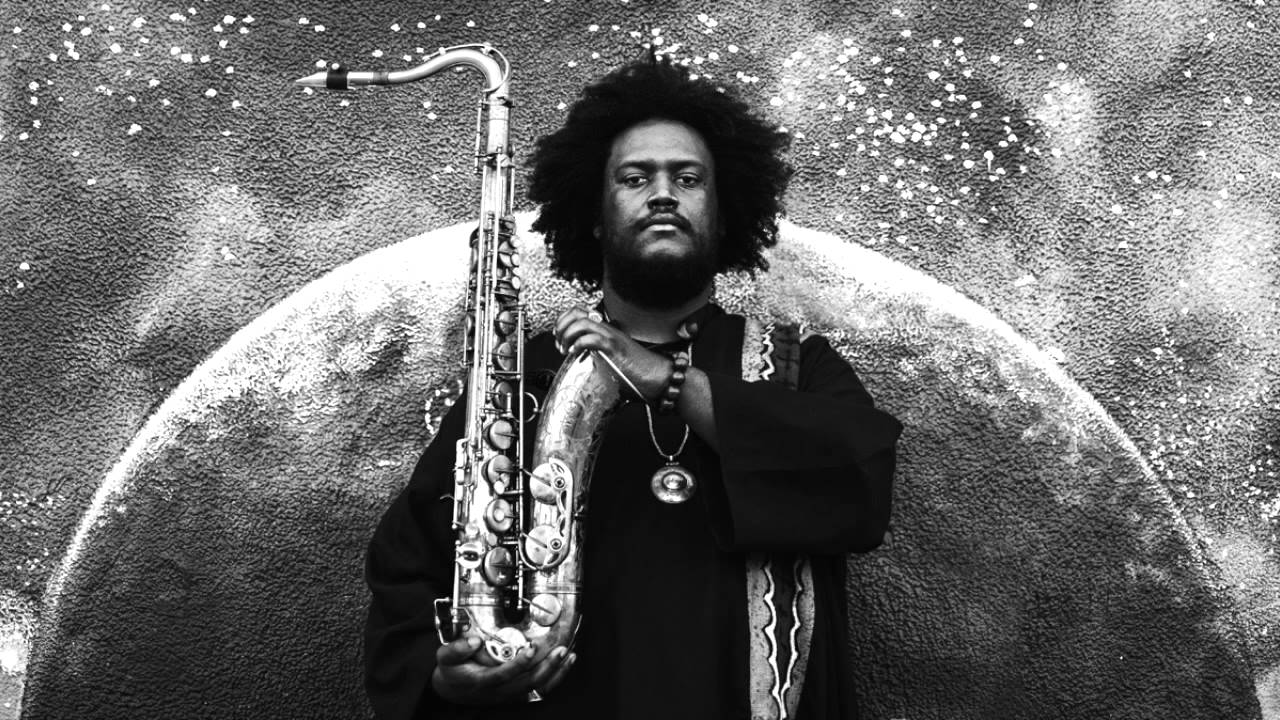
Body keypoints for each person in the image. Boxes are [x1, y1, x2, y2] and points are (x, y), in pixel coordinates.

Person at [363, 57, 902, 720]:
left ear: (724, 213)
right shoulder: (518, 381)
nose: (663, 194)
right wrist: (443, 674)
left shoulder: (795, 365)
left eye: (688, 179)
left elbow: (861, 486)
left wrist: (664, 378)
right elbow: (406, 567)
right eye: (635, 178)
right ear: (594, 215)